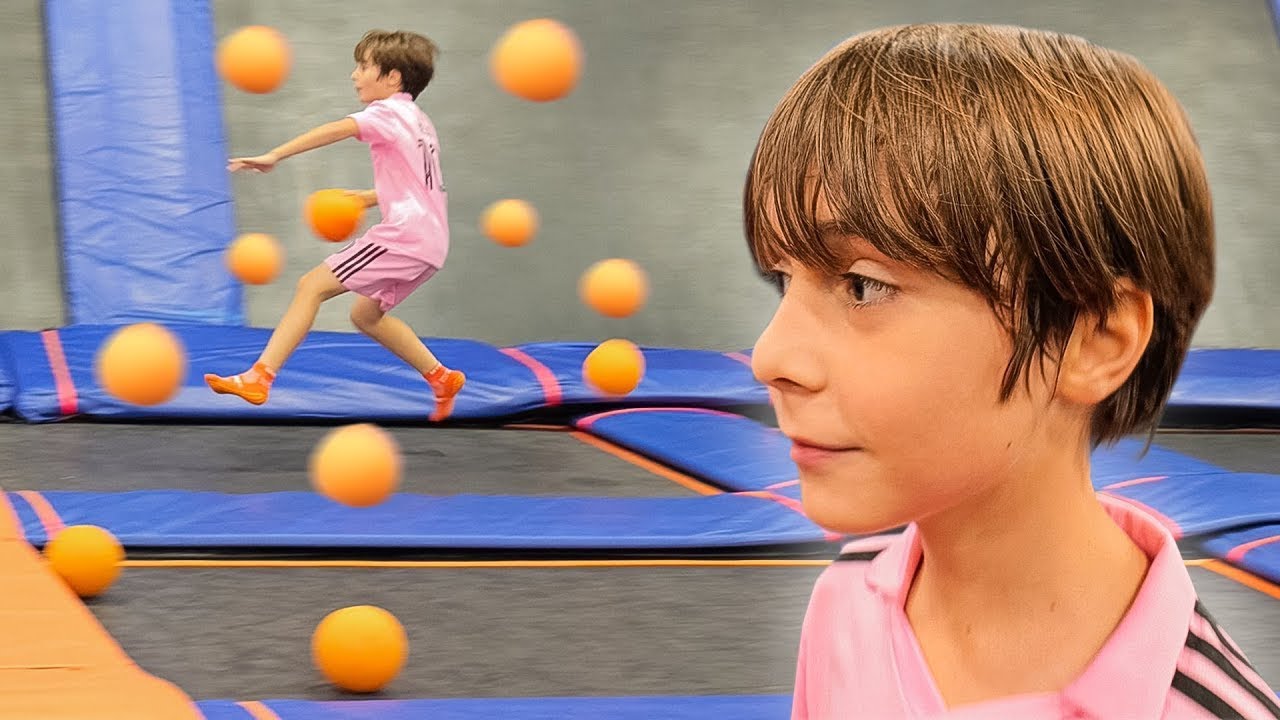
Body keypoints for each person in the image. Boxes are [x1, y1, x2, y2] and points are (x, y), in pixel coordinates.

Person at [745, 23, 1279, 718]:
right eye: (784, 280)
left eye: (862, 285)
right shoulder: (850, 597)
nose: (770, 358)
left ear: (1095, 338)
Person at [205, 29, 465, 422]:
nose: (354, 75)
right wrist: (364, 197)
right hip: (432, 244)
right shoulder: (420, 122)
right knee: (365, 317)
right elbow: (419, 185)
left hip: (404, 237)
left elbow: (337, 129)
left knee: (310, 286)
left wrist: (275, 155)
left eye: (363, 67)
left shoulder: (386, 113)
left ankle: (260, 377)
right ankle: (441, 377)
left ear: (393, 78)